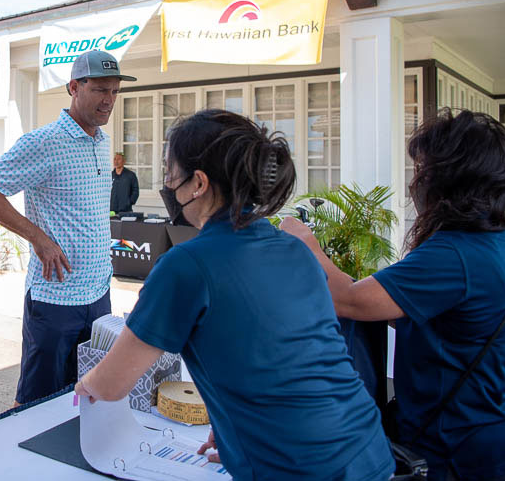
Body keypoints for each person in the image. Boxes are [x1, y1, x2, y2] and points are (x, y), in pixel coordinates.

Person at [75, 109, 395, 481]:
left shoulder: (187, 265)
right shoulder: (296, 250)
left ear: (197, 183)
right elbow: (295, 354)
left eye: (169, 171)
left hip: (296, 467)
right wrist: (232, 423)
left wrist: (87, 384)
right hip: (370, 450)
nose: (166, 183)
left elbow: (112, 384)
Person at [281, 109, 505, 481]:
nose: (416, 182)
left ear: (451, 179)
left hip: (460, 449)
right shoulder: (499, 239)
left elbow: (348, 300)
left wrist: (306, 243)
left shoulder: (455, 252)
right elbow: (414, 310)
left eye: (423, 170)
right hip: (497, 430)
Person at [0, 49, 137, 406]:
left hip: (98, 295)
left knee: (85, 395)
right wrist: (39, 239)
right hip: (56, 299)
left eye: (114, 92)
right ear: (74, 87)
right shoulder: (44, 142)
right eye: (100, 90)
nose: (109, 100)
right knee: (36, 402)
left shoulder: (101, 140)